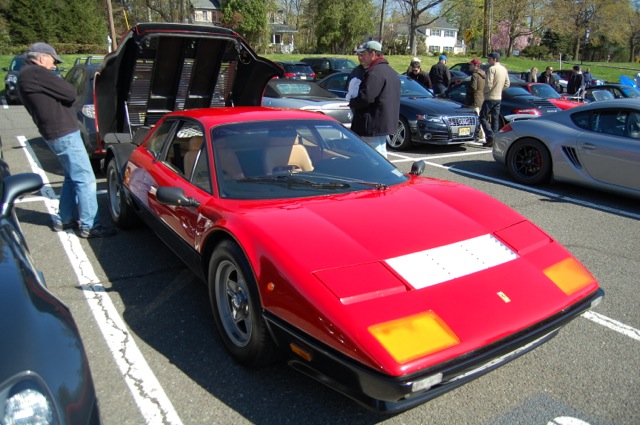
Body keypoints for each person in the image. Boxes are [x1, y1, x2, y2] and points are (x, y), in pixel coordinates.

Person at [18, 42, 116, 238]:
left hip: (55, 133)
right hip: (63, 133)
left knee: (72, 177)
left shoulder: (26, 74)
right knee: (86, 178)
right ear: (42, 57)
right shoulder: (36, 73)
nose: (54, 66)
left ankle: (65, 219)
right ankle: (90, 225)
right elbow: (70, 93)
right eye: (53, 61)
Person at [348, 41, 400, 158]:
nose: (362, 58)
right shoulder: (391, 72)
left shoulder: (374, 72)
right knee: (381, 154)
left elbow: (366, 97)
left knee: (372, 156)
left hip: (372, 123)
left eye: (364, 54)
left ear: (373, 54)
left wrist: (352, 102)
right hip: (383, 123)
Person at [479, 52, 510, 148]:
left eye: (489, 59)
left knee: (482, 117)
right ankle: (495, 139)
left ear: (494, 59)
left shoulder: (492, 69)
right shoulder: (504, 69)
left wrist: (485, 92)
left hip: (490, 97)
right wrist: (499, 89)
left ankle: (490, 136)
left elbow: (489, 84)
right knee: (495, 119)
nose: (488, 60)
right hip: (498, 97)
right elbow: (507, 83)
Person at [465, 58, 486, 144]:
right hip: (481, 98)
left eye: (471, 65)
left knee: (475, 119)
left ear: (476, 66)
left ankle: (480, 135)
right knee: (479, 117)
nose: (469, 66)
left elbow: (473, 87)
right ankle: (482, 135)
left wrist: (467, 89)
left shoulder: (475, 75)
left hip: (474, 99)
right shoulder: (483, 74)